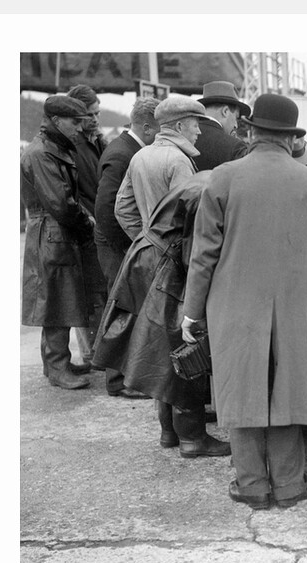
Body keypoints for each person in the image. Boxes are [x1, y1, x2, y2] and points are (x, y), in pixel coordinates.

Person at [181, 93, 307, 509]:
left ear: (251, 132)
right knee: (288, 387)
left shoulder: (222, 178)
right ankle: (289, 485)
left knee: (242, 387)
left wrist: (191, 311)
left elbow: (204, 255)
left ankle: (251, 484)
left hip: (232, 304)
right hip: (292, 304)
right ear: (290, 139)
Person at [93, 172, 229, 458]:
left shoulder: (209, 179)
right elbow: (196, 256)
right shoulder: (212, 193)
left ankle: (170, 431)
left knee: (162, 349)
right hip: (164, 263)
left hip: (149, 257)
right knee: (187, 344)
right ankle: (192, 437)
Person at [20, 95, 96, 389]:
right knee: (56, 299)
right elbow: (61, 204)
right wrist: (85, 223)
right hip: (52, 232)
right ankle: (56, 366)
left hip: (54, 232)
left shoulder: (51, 148)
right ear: (55, 121)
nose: (79, 128)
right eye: (74, 122)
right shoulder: (42, 153)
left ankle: (56, 363)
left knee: (59, 297)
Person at [92, 96, 160, 399]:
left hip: (119, 243)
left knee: (125, 306)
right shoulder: (122, 154)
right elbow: (106, 208)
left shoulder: (128, 149)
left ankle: (123, 375)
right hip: (116, 245)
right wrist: (129, 246)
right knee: (121, 307)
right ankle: (117, 380)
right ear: (147, 127)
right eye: (160, 130)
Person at [114, 95, 205, 241]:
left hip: (151, 253)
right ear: (179, 127)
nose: (199, 131)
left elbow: (122, 209)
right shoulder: (179, 160)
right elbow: (187, 217)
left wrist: (146, 240)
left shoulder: (139, 156)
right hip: (174, 255)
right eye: (196, 125)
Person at [65, 84, 108, 369]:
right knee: (90, 294)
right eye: (89, 114)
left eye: (97, 113)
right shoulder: (73, 147)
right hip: (86, 228)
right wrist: (88, 220)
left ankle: (98, 351)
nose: (95, 118)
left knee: (99, 291)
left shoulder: (95, 142)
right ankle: (92, 353)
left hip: (98, 226)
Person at [192, 80, 249, 171]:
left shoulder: (186, 138)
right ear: (225, 111)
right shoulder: (235, 146)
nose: (236, 125)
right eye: (235, 118)